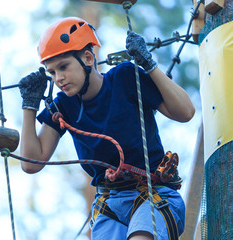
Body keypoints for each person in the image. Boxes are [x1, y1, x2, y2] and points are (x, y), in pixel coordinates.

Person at [19, 16, 195, 240]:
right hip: (110, 204)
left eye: (63, 67)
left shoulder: (125, 78)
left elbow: (186, 112)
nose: (58, 78)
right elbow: (31, 163)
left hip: (154, 195)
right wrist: (29, 106)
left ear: (88, 58)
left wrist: (148, 64)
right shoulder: (63, 105)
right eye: (52, 72)